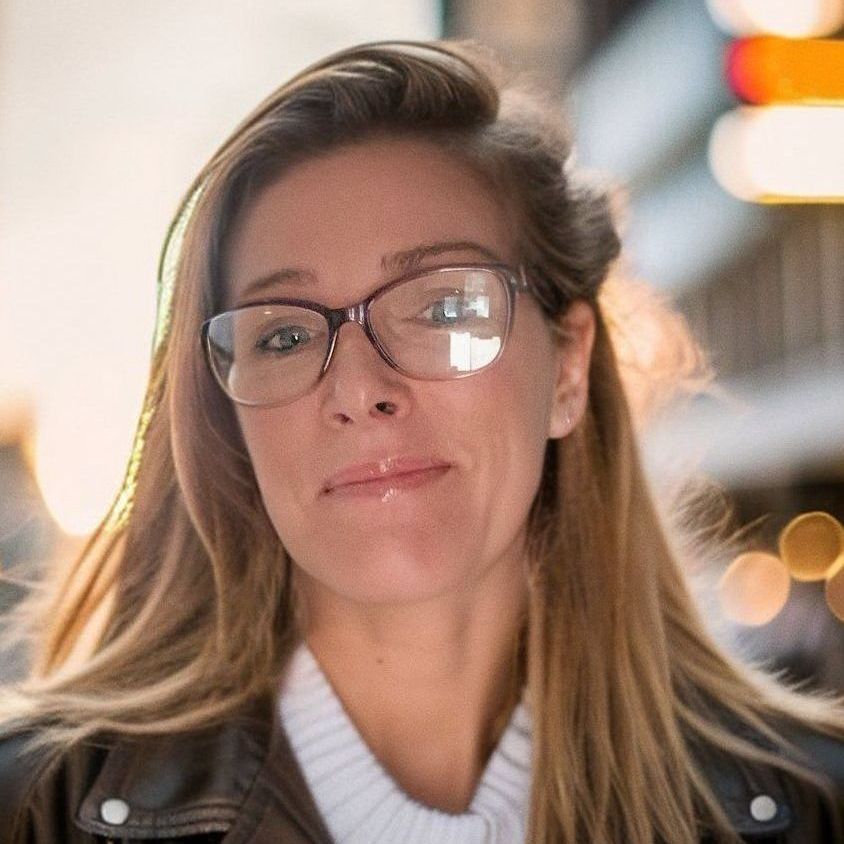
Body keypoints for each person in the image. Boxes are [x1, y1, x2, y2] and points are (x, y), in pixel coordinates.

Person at [0, 38, 843, 844]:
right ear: (230, 419)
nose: (361, 390)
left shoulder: (813, 812)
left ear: (567, 369)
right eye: (285, 336)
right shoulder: (32, 811)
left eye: (446, 309)